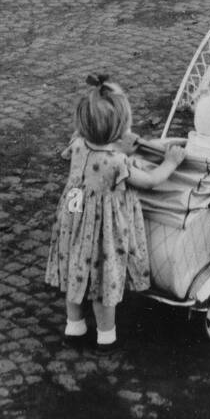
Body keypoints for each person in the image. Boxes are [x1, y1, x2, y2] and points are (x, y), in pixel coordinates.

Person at [45, 75, 185, 351]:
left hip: (74, 221)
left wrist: (112, 140)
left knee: (76, 270)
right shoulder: (117, 163)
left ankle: (74, 326)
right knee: (101, 280)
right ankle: (106, 335)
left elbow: (83, 148)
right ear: (119, 129)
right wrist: (171, 162)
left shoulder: (77, 145)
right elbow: (151, 180)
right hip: (102, 230)